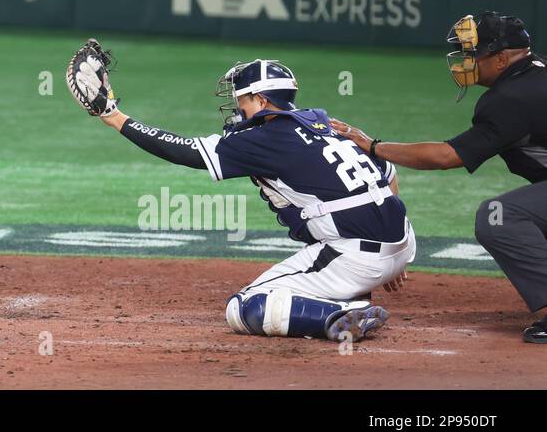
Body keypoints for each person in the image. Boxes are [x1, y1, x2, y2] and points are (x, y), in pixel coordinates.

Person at [68, 44, 412, 342]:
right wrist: (392, 248)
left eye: (242, 100)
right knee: (319, 214)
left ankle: (339, 314)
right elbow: (389, 177)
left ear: (261, 99)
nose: (237, 108)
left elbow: (184, 151)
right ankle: (353, 292)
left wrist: (113, 116)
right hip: (400, 244)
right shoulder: (322, 123)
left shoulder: (265, 138)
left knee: (247, 306)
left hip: (357, 258)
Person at [332, 12, 547, 345]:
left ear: (502, 59)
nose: (466, 61)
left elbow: (447, 156)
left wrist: (372, 145)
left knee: (501, 217)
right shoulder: (534, 77)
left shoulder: (511, 99)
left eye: (475, 54)